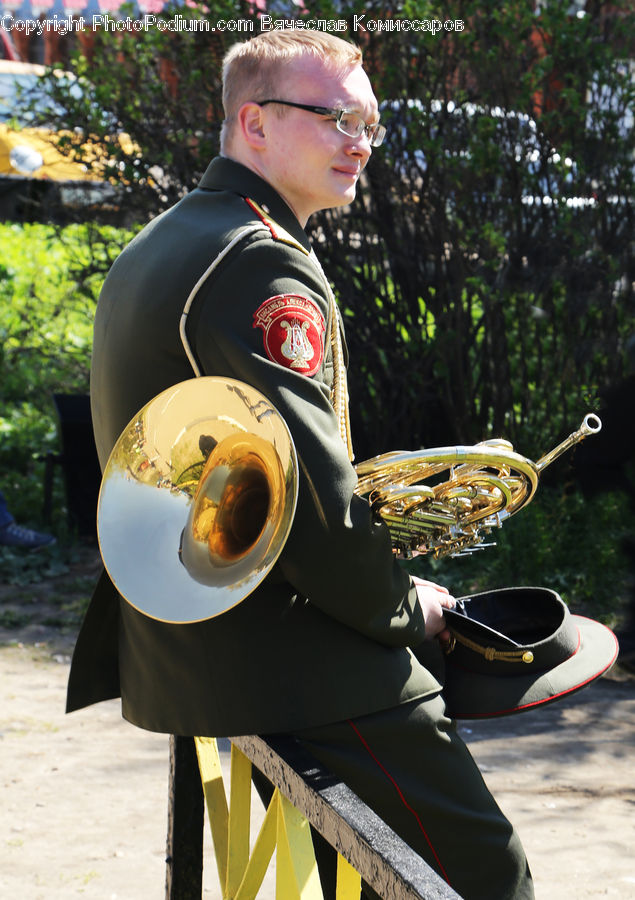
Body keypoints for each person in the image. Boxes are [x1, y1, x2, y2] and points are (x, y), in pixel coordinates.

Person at [66, 31, 533, 899]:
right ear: (255, 123)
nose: (360, 140)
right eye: (336, 117)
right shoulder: (257, 260)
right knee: (486, 876)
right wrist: (403, 607)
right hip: (285, 663)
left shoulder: (172, 237)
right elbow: (316, 502)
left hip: (198, 650)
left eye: (370, 121)